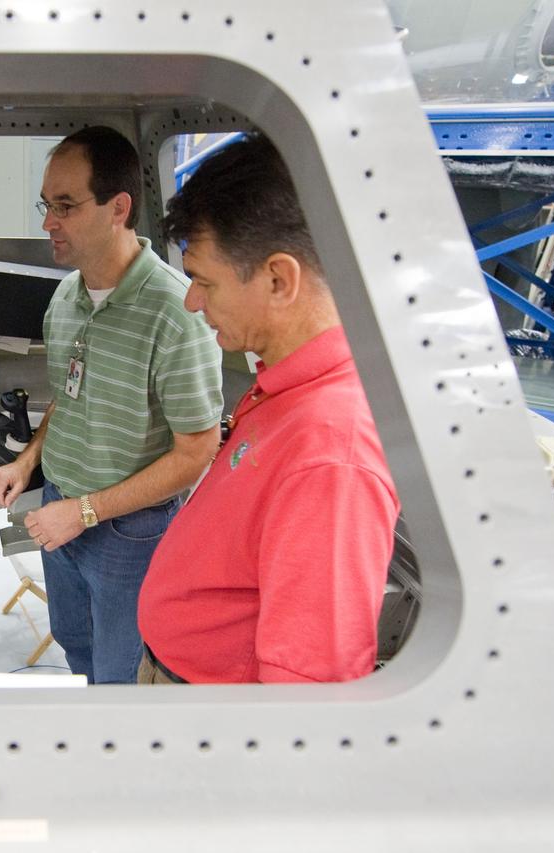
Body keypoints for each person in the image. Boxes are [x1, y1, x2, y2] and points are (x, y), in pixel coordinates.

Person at [137, 135, 401, 685]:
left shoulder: (332, 452)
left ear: (279, 279)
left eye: (203, 281)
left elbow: (307, 688)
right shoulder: (290, 388)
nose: (191, 301)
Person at [0, 126, 223, 684]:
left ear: (119, 207)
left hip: (127, 532)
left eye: (66, 206)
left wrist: (86, 511)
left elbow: (198, 451)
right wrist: (27, 463)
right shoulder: (66, 296)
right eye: (47, 204)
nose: (49, 222)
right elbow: (68, 400)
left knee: (116, 674)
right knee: (74, 644)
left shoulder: (175, 312)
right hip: (57, 507)